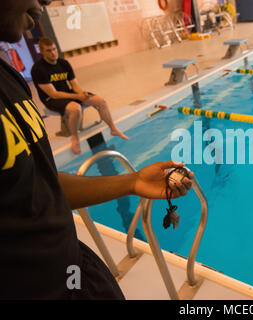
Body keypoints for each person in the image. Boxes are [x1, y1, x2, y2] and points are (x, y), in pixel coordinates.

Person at [0, 0, 193, 299]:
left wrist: (132, 182)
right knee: (77, 105)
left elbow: (39, 186)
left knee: (93, 99)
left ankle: (112, 127)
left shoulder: (7, 76)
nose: (44, 6)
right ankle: (76, 137)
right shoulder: (32, 72)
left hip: (75, 270)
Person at [31, 37, 128, 154]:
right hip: (51, 99)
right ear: (41, 52)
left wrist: (82, 94)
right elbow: (54, 94)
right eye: (48, 51)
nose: (53, 53)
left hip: (68, 94)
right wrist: (77, 97)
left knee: (101, 101)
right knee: (76, 109)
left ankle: (113, 129)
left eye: (54, 49)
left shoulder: (64, 63)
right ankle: (75, 137)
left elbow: (74, 84)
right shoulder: (38, 69)